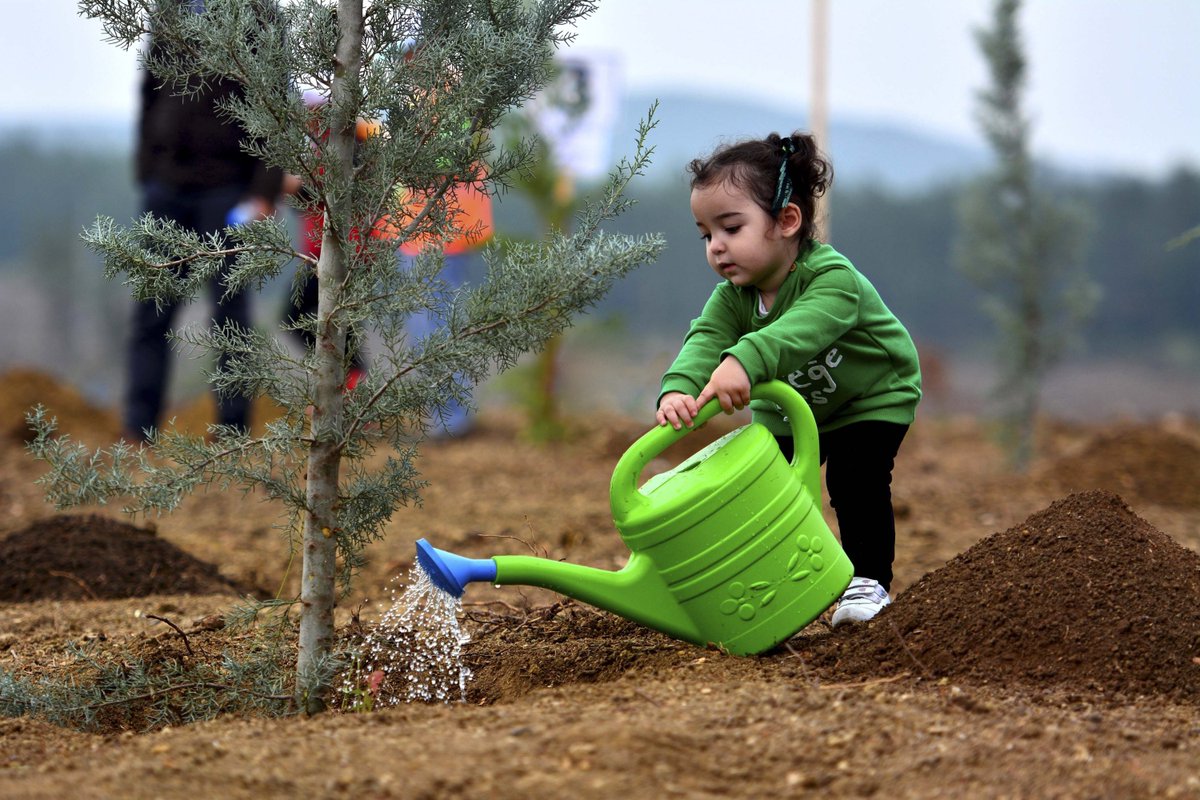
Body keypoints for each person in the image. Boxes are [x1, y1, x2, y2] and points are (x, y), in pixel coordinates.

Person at [655, 132, 922, 627]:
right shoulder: (734, 297)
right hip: (792, 407)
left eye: (731, 228)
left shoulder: (832, 279)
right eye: (706, 234)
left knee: (853, 479)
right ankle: (772, 592)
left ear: (786, 220)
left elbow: (799, 333)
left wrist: (743, 361)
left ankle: (868, 583)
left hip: (868, 398)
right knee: (765, 488)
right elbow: (706, 337)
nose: (716, 247)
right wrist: (680, 386)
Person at [124, 0, 285, 442]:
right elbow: (149, 89)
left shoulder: (260, 15)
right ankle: (138, 428)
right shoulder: (170, 11)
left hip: (229, 190)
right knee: (151, 311)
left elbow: (275, 107)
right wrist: (147, 170)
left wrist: (263, 193)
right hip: (167, 187)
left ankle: (232, 429)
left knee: (229, 313)